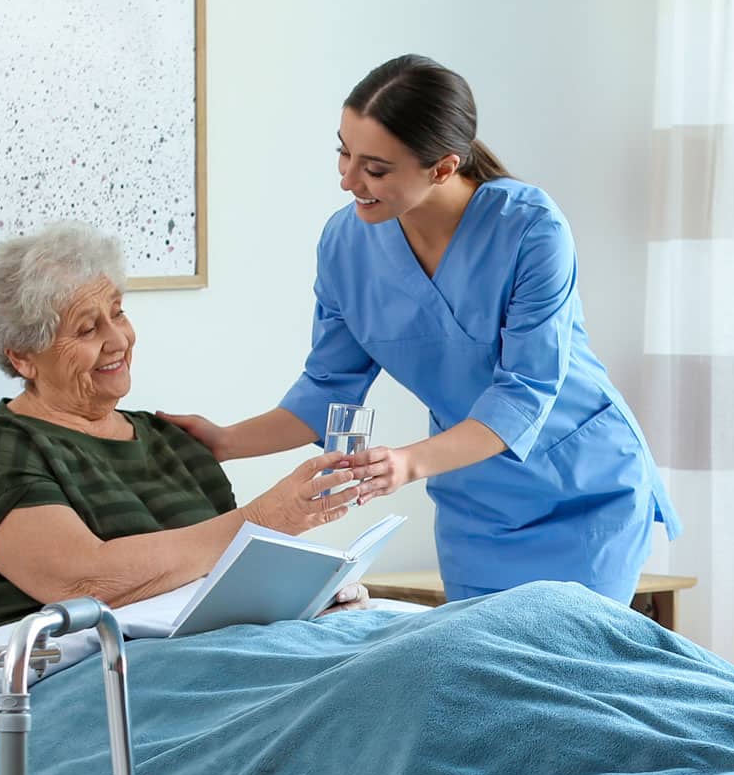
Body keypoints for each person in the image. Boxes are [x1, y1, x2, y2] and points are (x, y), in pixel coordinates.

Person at [161, 54, 680, 605]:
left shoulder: (530, 230)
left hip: (583, 492)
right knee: (483, 677)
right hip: (475, 503)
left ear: (442, 167)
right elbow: (327, 390)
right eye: (343, 151)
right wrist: (224, 442)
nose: (347, 179)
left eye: (375, 168)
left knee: (570, 671)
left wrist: (406, 463)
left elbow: (523, 395)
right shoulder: (346, 246)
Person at [0, 220, 369, 639]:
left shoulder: (173, 443)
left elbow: (227, 582)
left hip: (210, 654)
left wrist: (305, 598)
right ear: (23, 357)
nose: (118, 339)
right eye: (87, 328)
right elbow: (86, 581)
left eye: (118, 313)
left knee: (423, 644)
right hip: (86, 676)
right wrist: (262, 520)